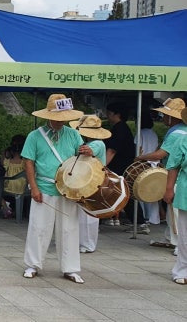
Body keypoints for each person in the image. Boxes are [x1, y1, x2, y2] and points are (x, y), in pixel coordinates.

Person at [21, 94, 90, 284]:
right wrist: (33, 187)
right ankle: (32, 264)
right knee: (38, 228)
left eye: (63, 118)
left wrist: (88, 152)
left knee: (69, 229)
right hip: (44, 186)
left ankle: (70, 268)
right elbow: (28, 162)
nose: (60, 121)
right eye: (57, 117)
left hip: (68, 189)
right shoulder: (35, 136)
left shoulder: (74, 134)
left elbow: (82, 159)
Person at [136, 98, 187, 249]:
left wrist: (140, 157)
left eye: (165, 115)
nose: (163, 117)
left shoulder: (176, 134)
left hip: (177, 178)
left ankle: (178, 243)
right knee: (174, 214)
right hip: (178, 176)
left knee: (176, 214)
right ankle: (171, 238)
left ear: (172, 117)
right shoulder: (182, 130)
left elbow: (161, 154)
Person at [69, 115, 111, 254]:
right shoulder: (93, 143)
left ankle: (87, 244)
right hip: (87, 181)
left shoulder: (97, 144)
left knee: (88, 214)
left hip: (92, 182)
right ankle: (82, 242)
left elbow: (87, 152)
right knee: (83, 213)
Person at [164, 107, 187, 284]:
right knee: (185, 236)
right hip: (186, 190)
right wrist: (169, 189)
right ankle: (182, 271)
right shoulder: (183, 139)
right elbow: (173, 166)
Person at [104, 102, 136, 226]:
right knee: (118, 192)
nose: (107, 116)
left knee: (123, 192)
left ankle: (139, 221)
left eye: (109, 113)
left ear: (117, 114)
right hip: (121, 164)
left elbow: (112, 150)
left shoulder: (120, 129)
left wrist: (102, 166)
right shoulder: (120, 127)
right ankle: (110, 217)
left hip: (121, 166)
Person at [135, 108, 161, 229]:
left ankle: (144, 216)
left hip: (143, 164)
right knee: (154, 193)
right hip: (155, 165)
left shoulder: (139, 133)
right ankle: (153, 218)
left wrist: (136, 159)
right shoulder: (154, 133)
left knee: (140, 191)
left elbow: (138, 149)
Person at [0, 134, 26, 217]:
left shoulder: (8, 160)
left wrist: (4, 153)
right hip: (23, 187)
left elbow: (2, 164)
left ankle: (5, 208)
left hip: (9, 186)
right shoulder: (26, 161)